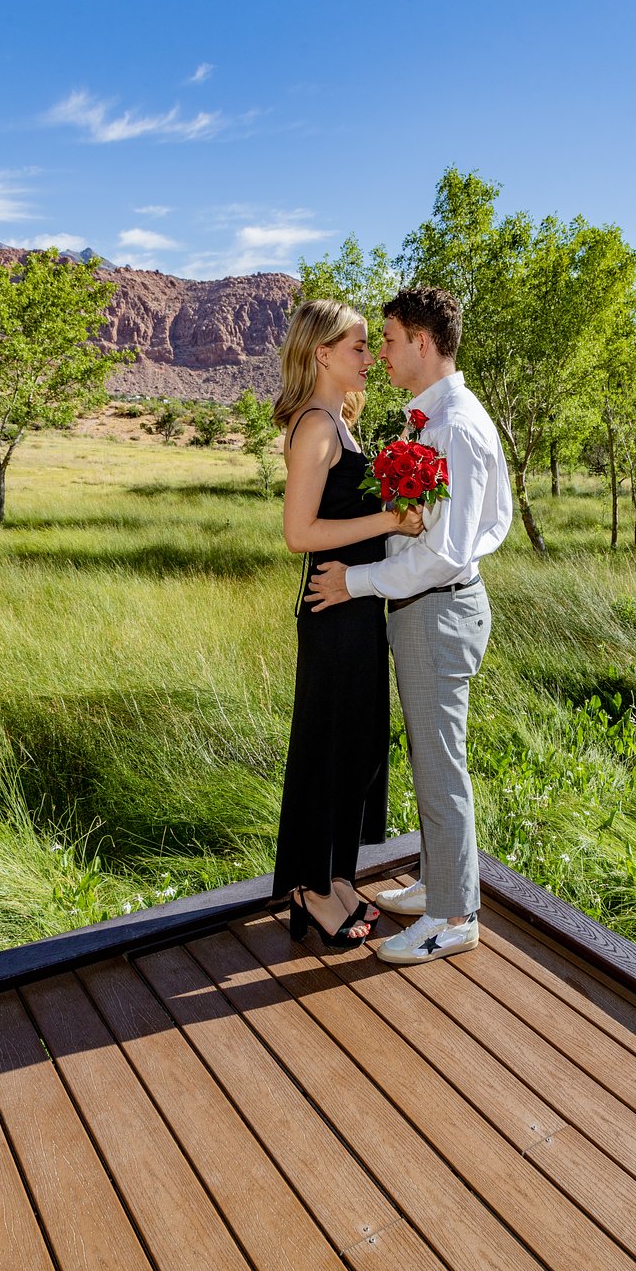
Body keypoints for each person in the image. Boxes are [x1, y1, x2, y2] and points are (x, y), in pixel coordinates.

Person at [306, 287, 512, 964]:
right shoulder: (436, 418)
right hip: (432, 610)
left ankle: (455, 917)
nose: (381, 355)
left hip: (438, 609)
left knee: (440, 765)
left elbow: (445, 551)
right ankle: (439, 884)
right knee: (431, 758)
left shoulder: (452, 425)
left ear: (422, 342)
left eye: (388, 340)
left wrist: (355, 580)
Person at [271, 298, 424, 948]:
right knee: (329, 745)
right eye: (359, 347)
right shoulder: (315, 426)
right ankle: (310, 890)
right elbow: (298, 533)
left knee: (356, 743)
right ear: (322, 354)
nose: (370, 357)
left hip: (358, 602)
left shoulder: (340, 421)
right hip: (333, 608)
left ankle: (335, 879)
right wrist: (391, 519)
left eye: (369, 346)